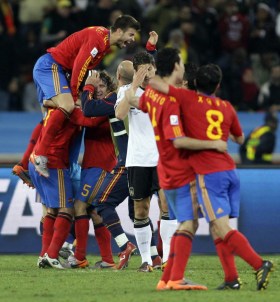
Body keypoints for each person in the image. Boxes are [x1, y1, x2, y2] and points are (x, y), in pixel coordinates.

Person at [149, 59, 274, 291]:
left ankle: (260, 263)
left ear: (195, 83)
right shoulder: (227, 106)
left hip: (210, 173)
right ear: (218, 86)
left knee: (220, 227)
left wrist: (158, 70)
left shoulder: (188, 99)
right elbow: (239, 139)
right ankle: (231, 278)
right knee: (220, 227)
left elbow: (159, 86)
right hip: (230, 172)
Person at [127, 48, 227, 290]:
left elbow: (135, 100)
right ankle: (172, 275)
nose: (184, 66)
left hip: (168, 164)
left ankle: (169, 275)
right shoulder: (175, 99)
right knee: (195, 221)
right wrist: (212, 144)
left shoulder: (161, 95)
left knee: (186, 219)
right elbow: (179, 139)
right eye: (180, 63)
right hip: (174, 165)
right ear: (175, 68)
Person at [30, 14, 140, 178]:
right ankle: (39, 155)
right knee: (68, 105)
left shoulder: (102, 42)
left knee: (67, 108)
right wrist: (74, 95)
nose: (132, 39)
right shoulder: (98, 39)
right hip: (51, 66)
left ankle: (51, 103)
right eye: (131, 34)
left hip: (61, 72)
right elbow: (80, 66)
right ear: (118, 30)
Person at [115, 50, 178, 272]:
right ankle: (146, 261)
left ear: (155, 68)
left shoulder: (164, 91)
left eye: (150, 69)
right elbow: (121, 114)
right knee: (141, 210)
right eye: (143, 70)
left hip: (163, 158)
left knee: (166, 205)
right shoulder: (125, 90)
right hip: (138, 158)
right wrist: (134, 84)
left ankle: (168, 257)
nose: (148, 73)